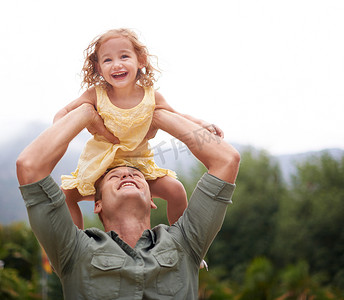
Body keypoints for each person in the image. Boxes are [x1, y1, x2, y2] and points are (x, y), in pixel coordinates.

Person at [16, 105, 240, 299]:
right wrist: (86, 113)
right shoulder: (72, 251)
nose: (127, 175)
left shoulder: (187, 242)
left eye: (137, 176)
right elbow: (29, 166)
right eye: (115, 177)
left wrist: (157, 114)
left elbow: (227, 159)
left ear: (152, 200)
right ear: (97, 204)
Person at [53, 28, 224, 228]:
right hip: (100, 169)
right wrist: (59, 132)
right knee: (65, 195)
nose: (116, 65)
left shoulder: (152, 97)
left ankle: (184, 248)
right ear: (99, 69)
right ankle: (75, 249)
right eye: (107, 60)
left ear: (140, 60)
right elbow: (63, 112)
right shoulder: (95, 95)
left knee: (176, 190)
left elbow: (177, 116)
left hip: (138, 168)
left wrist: (202, 124)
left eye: (124, 56)